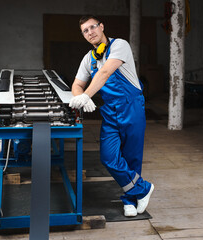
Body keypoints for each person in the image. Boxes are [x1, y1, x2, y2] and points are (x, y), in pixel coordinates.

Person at [69, 15, 154, 217]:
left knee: (132, 157)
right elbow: (76, 85)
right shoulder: (88, 58)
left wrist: (87, 95)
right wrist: (81, 97)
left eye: (93, 27)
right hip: (110, 111)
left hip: (131, 106)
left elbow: (106, 72)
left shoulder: (119, 45)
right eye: (85, 31)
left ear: (101, 26)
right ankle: (143, 189)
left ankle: (129, 201)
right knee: (109, 157)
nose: (90, 32)